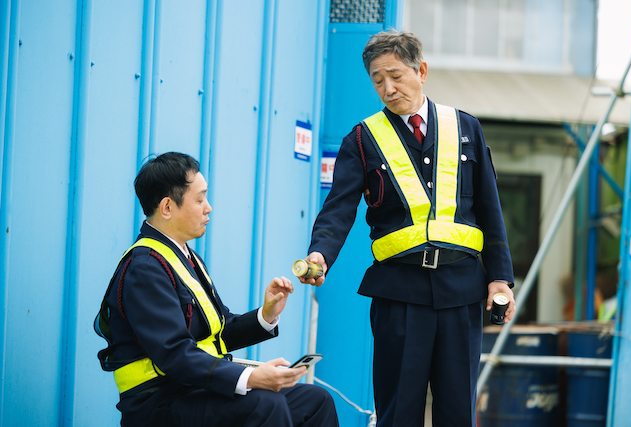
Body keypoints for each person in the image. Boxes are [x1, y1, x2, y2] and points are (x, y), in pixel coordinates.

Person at [298, 30, 516, 427]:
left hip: (461, 289)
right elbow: (338, 208)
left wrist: (500, 279)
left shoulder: (466, 128)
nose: (388, 87)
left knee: (459, 412)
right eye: (378, 80)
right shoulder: (362, 140)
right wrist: (320, 253)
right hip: (399, 293)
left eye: (396, 75)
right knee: (399, 411)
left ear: (422, 71)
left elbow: (490, 206)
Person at [95, 152, 339, 427]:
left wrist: (266, 315)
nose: (208, 207)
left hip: (194, 389)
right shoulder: (145, 267)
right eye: (199, 199)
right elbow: (174, 353)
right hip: (158, 402)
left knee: (315, 400)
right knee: (265, 404)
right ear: (167, 207)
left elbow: (215, 334)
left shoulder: (185, 257)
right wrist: (249, 377)